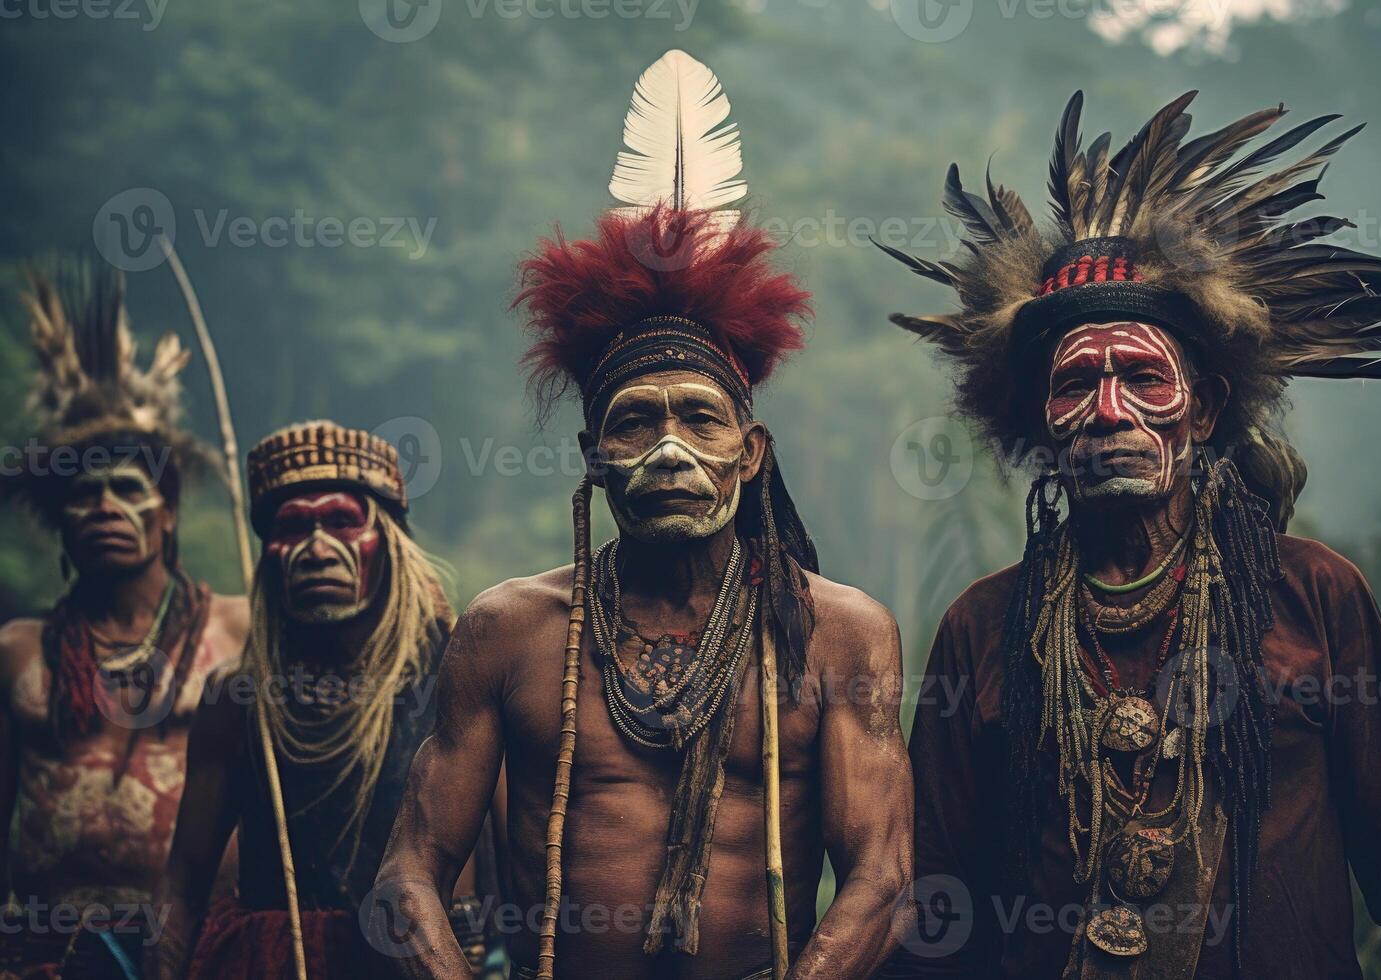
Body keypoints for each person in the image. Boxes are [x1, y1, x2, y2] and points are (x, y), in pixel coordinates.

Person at [878, 90, 1381, 978]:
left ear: (1204, 410)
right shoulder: (982, 627)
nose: (1107, 411)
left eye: (1143, 377)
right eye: (1076, 384)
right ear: (1040, 425)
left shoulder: (1314, 595)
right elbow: (931, 911)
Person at [374, 49, 913, 980]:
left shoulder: (837, 634)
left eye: (700, 417)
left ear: (750, 454)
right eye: (635, 422)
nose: (669, 449)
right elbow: (410, 874)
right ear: (594, 457)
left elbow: (883, 878)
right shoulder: (512, 632)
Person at [145, 421, 470, 979]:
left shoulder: (457, 677)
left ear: (387, 541)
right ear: (268, 552)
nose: (318, 549)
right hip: (276, 960)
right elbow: (186, 879)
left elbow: (525, 857)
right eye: (293, 527)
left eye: (343, 521)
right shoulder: (238, 698)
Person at [0, 261, 248, 978]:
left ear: (167, 511)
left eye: (127, 488)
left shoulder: (235, 631)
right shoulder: (19, 651)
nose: (105, 506)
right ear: (60, 523)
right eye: (83, 494)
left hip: (202, 945)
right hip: (46, 950)